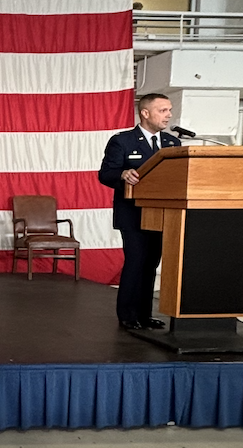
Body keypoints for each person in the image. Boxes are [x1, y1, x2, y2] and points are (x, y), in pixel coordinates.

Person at [98, 93, 181, 331]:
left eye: (169, 110)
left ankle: (145, 314)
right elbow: (106, 173)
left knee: (151, 264)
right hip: (133, 214)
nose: (169, 115)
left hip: (163, 214)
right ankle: (127, 314)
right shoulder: (122, 141)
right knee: (136, 261)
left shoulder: (172, 144)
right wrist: (122, 174)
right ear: (145, 113)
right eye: (163, 110)